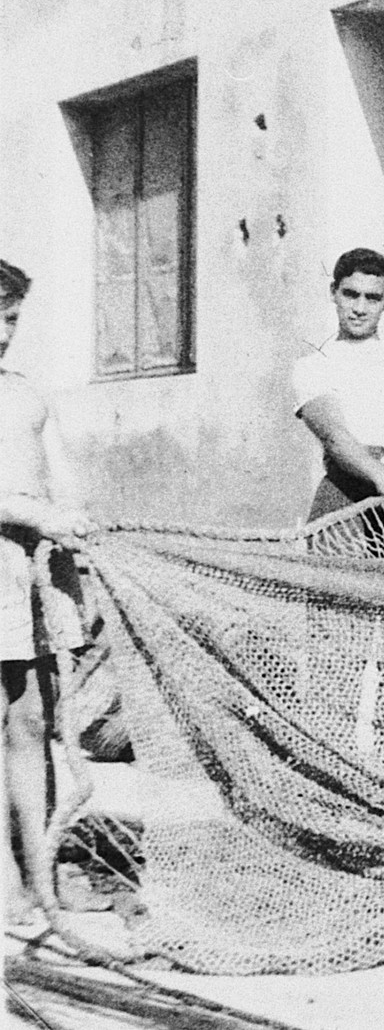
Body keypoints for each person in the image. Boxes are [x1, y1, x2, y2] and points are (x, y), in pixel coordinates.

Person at [0, 259, 96, 926]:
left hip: (34, 571)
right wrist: (37, 515)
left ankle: (42, 873)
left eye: (8, 320)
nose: (2, 333)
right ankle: (7, 876)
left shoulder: (27, 392)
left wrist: (78, 533)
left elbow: (61, 478)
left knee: (34, 720)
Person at [292, 249, 384, 519]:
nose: (360, 309)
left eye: (372, 298)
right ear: (333, 292)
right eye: (350, 294)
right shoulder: (312, 367)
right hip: (346, 496)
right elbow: (335, 437)